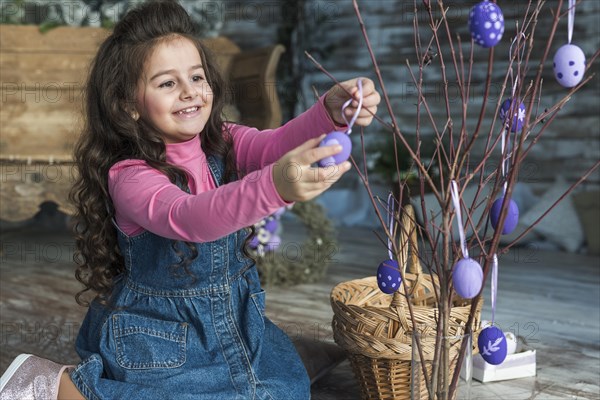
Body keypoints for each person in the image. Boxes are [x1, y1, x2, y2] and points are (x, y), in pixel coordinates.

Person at [0, 1, 380, 399]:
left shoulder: (224, 140)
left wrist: (330, 114)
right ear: (129, 104)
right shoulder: (130, 176)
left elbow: (275, 144)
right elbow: (190, 218)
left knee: (283, 389)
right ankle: (51, 383)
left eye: (197, 76)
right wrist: (274, 187)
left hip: (230, 325)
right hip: (162, 339)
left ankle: (285, 358)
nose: (190, 92)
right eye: (167, 83)